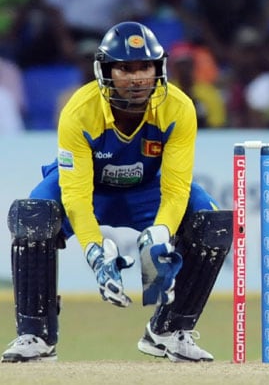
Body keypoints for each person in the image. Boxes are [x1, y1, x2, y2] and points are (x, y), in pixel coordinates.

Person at [2, 21, 231, 363]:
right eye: (125, 68)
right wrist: (95, 252)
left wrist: (160, 233)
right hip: (91, 190)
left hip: (148, 191)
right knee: (31, 216)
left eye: (145, 67)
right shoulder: (79, 111)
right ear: (105, 70)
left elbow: (176, 187)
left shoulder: (178, 107)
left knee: (213, 223)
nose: (137, 78)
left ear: (159, 68)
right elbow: (76, 194)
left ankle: (167, 332)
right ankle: (36, 336)